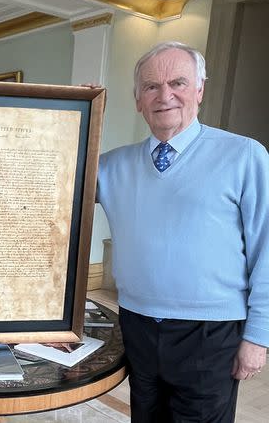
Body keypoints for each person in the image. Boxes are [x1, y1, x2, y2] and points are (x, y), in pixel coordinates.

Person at [96, 41, 268, 422]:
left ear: (200, 89)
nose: (165, 96)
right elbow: (52, 182)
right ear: (138, 99)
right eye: (151, 86)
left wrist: (258, 337)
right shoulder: (109, 167)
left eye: (178, 83)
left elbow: (266, 252)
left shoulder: (245, 155)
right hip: (137, 324)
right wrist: (83, 119)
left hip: (211, 332)